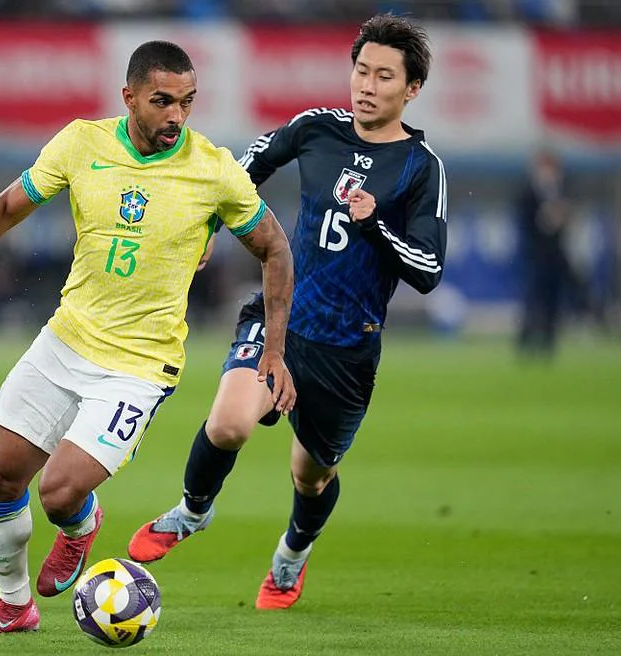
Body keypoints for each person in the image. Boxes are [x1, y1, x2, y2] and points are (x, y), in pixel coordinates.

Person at [0, 40, 296, 634]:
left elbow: (275, 248)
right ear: (129, 96)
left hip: (140, 363)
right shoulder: (82, 142)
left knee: (58, 493)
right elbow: (11, 202)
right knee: (0, 474)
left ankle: (80, 528)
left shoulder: (213, 170)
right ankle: (14, 606)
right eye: (162, 101)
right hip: (67, 337)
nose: (176, 115)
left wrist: (274, 349)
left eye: (187, 102)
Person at [127, 14, 447, 610]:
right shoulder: (315, 129)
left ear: (412, 90)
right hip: (281, 316)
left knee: (312, 474)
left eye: (383, 76)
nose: (366, 85)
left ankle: (292, 555)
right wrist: (206, 226)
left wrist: (375, 222)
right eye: (360, 70)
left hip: (346, 349)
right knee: (228, 424)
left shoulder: (420, 168)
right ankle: (190, 513)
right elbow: (243, 169)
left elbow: (428, 270)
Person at [515, 149, 575, 358]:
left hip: (555, 255)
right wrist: (545, 220)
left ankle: (549, 343)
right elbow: (524, 223)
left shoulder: (561, 190)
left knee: (553, 301)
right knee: (533, 300)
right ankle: (525, 342)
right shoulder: (528, 192)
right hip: (535, 256)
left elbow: (566, 220)